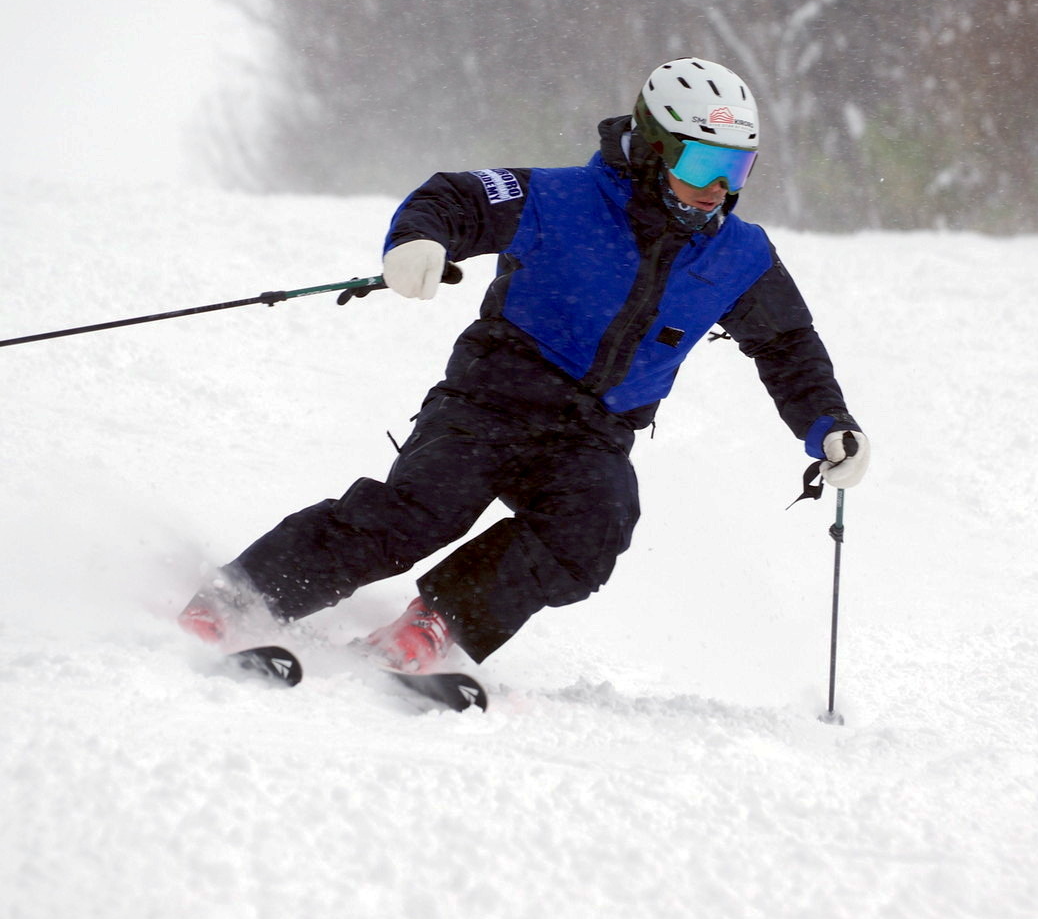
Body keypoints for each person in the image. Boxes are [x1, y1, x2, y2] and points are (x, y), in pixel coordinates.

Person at [179, 56, 869, 673]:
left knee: (595, 526)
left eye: (736, 170)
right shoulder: (559, 199)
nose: (717, 190)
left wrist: (829, 423)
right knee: (419, 514)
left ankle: (435, 625)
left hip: (595, 432)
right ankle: (237, 598)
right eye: (700, 167)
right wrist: (418, 241)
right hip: (491, 399)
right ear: (655, 150)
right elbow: (457, 197)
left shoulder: (739, 254)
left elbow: (788, 348)